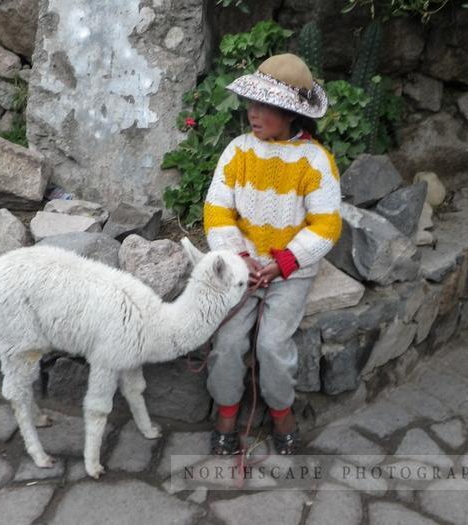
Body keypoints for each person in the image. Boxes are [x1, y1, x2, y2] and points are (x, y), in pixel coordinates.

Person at [203, 53, 343, 456]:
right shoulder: (237, 151)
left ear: (291, 115)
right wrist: (238, 257)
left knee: (271, 346)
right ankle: (227, 412)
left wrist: (283, 263)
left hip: (289, 273)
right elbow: (217, 209)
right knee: (228, 342)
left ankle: (282, 412)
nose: (253, 113)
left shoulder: (315, 161)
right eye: (252, 103)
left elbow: (326, 225)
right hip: (242, 268)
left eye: (265, 106)